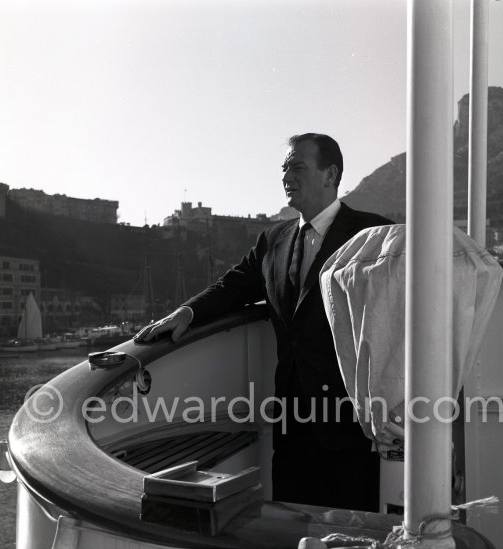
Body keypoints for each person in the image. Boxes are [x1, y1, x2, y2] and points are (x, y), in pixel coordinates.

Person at [136, 133, 393, 511]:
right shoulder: (273, 239)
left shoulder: (373, 236)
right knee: (290, 527)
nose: (287, 175)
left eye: (298, 166)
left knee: (350, 528)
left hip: (349, 422)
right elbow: (232, 287)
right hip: (290, 420)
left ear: (330, 174)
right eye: (284, 167)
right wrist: (185, 313)